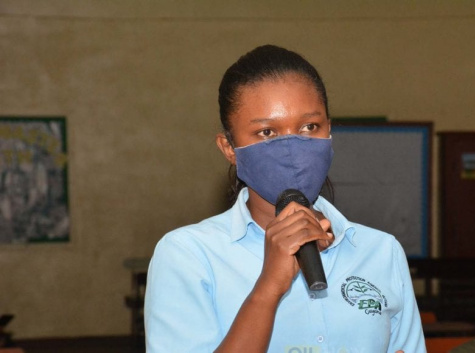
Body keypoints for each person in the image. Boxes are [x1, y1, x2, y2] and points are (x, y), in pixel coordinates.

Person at [144, 44, 425, 353]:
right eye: (267, 133)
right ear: (229, 148)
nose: (292, 146)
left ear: (329, 132)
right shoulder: (189, 256)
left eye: (309, 127)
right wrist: (267, 289)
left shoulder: (382, 253)